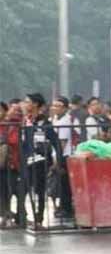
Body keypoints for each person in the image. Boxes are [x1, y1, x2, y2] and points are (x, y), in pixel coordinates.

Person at [20, 93, 63, 230]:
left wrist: (58, 160)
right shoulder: (26, 121)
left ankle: (39, 219)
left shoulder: (45, 123)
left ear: (36, 105)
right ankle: (22, 217)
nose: (26, 104)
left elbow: (56, 142)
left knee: (40, 191)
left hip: (41, 162)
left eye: (28, 102)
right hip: (27, 161)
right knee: (22, 189)